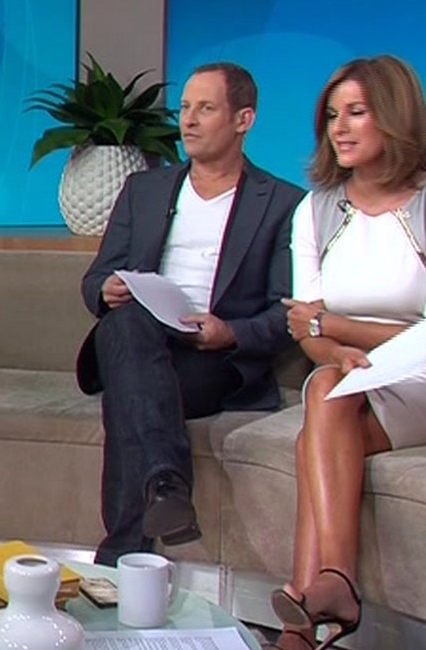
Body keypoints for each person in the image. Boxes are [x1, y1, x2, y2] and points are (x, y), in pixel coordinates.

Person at [265, 55, 426, 650]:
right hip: (349, 376)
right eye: (332, 116)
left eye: (356, 112)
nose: (339, 127)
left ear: (395, 115)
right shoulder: (315, 211)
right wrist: (331, 348)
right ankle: (327, 596)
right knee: (325, 398)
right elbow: (303, 330)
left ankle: (310, 614)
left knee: (319, 425)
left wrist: (332, 326)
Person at [77, 63, 305, 567]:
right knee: (127, 327)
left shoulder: (283, 204)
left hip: (211, 358)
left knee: (129, 392)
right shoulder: (144, 190)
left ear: (244, 119)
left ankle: (119, 560)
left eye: (206, 108)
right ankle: (166, 484)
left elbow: (286, 313)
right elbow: (95, 279)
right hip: (138, 335)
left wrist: (230, 333)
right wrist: (108, 290)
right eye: (184, 108)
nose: (189, 120)